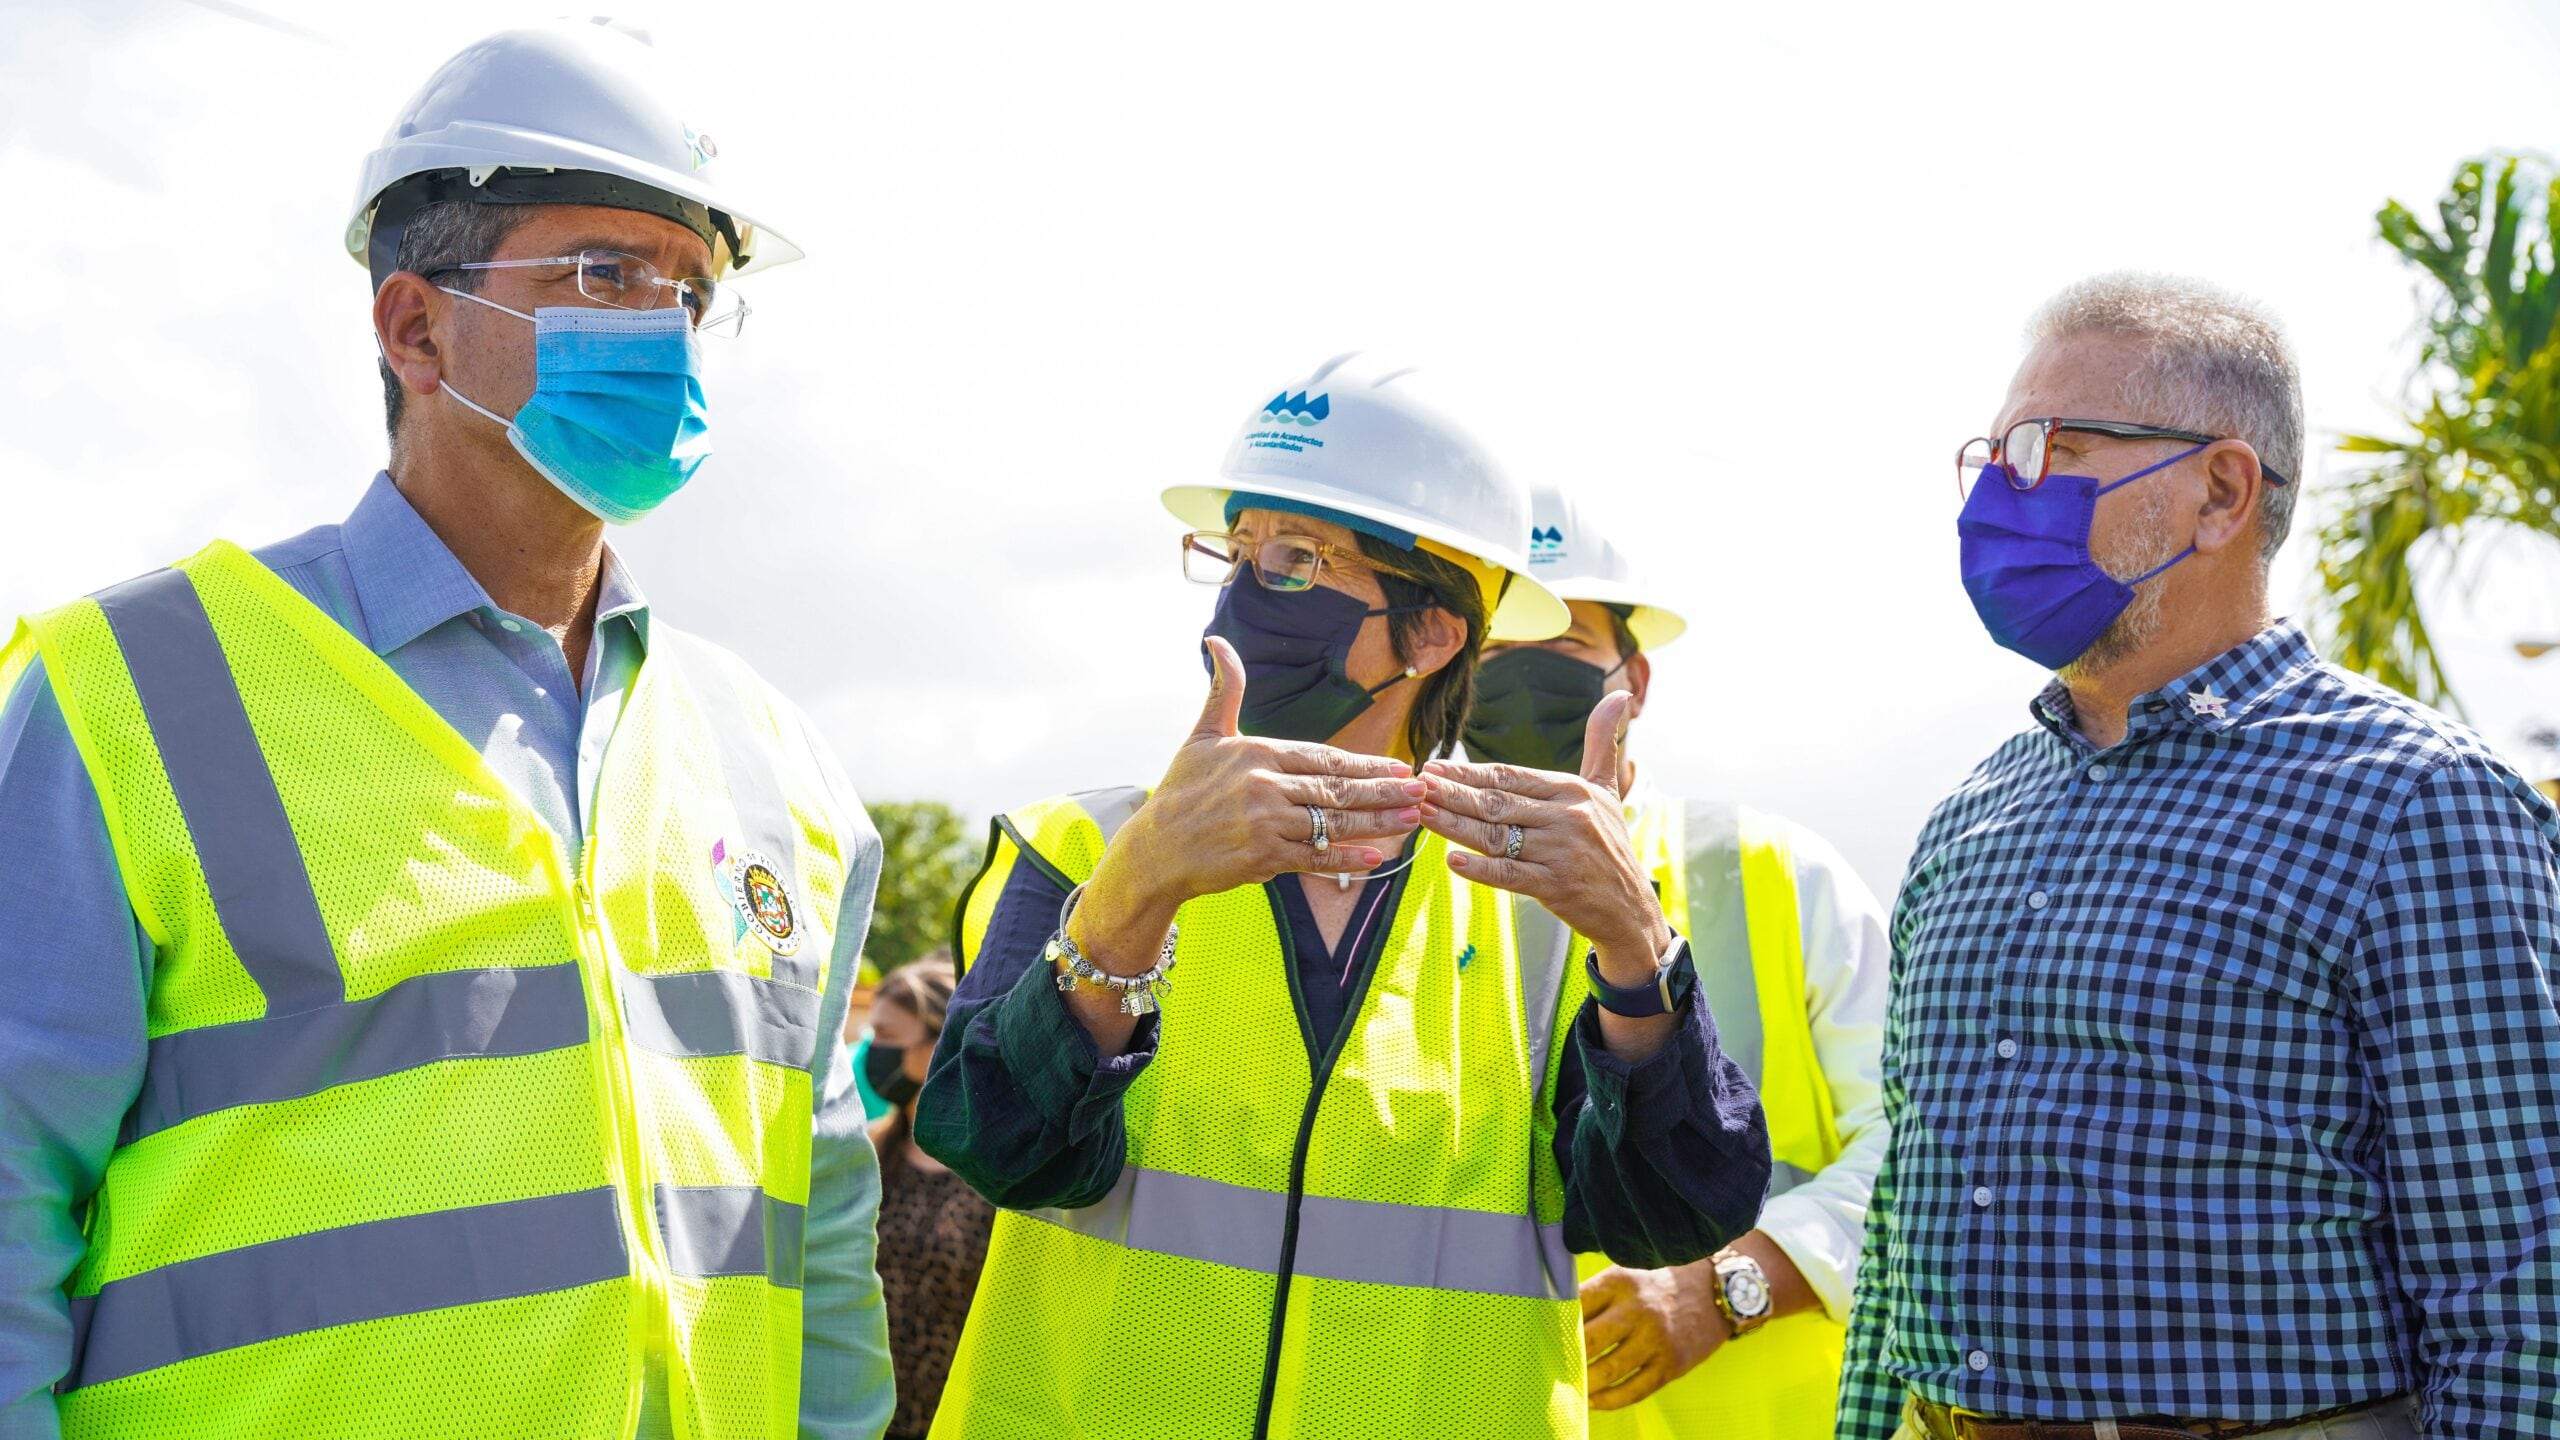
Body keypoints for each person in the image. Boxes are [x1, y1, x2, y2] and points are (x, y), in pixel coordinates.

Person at [0, 21, 892, 1439]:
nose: (663, 333)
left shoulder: (777, 762)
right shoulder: (130, 691)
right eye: (604, 276)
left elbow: (820, 1213)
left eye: (692, 294)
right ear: (414, 328)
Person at [916, 354, 1772, 1439]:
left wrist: (1639, 947)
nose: (1242, 591)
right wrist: (1136, 891)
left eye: (1296, 559)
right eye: (1236, 552)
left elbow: (1671, 1214)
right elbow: (996, 1145)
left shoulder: (1549, 912)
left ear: (1435, 631)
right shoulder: (1081, 849)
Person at [1840, 273, 2560, 1440]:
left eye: (2053, 450)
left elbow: (2518, 1288)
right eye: (1995, 456)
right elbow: (1895, 1239)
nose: (1999, 497)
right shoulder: (1970, 818)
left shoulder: (2413, 804)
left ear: (2221, 491)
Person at [1463, 487, 1887, 1439]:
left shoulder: (1777, 873)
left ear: (1636, 679)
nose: (1523, 672)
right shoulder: (1388, 892)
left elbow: (1922, 1152)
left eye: (1564, 642)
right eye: (1495, 645)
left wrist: (1734, 1285)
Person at [864, 957, 996, 1440]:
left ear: (940, 1042)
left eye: (886, 1036)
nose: (872, 1052)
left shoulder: (995, 1174)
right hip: (864, 1417)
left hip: (958, 1419)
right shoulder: (867, 1155)